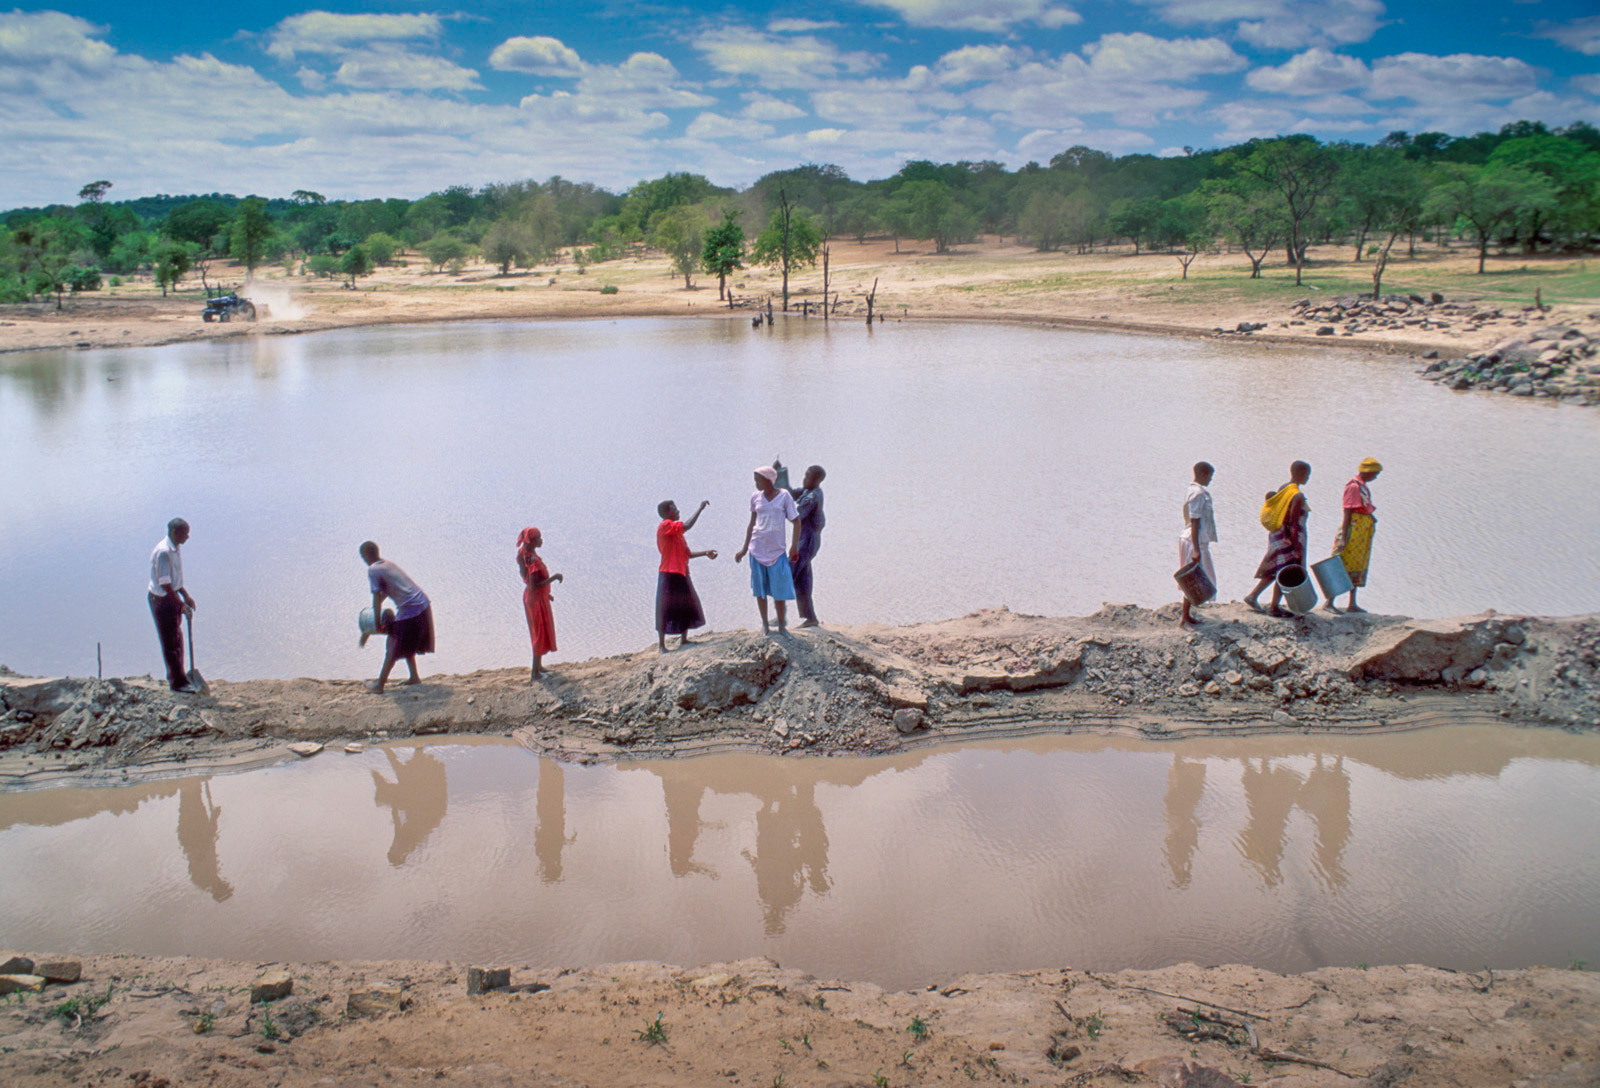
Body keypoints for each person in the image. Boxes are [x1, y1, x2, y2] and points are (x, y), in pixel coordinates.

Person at [361, 541, 434, 693]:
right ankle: (414, 676)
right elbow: (386, 591)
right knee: (405, 640)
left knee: (393, 644)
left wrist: (375, 622)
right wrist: (376, 612)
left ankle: (379, 685)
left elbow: (376, 596)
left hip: (411, 609)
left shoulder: (373, 570)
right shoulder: (387, 564)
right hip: (423, 604)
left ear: (366, 555)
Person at [735, 465, 800, 634]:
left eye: (758, 480)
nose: (755, 483)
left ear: (769, 480)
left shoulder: (784, 496)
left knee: (779, 590)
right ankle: (764, 624)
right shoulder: (755, 497)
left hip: (777, 551)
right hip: (756, 549)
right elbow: (752, 524)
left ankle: (781, 626)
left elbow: (796, 521)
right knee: (760, 589)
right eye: (755, 480)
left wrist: (794, 546)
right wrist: (743, 549)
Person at [1245, 460, 1311, 618]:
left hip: (1278, 535)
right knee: (1285, 573)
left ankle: (1255, 597)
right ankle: (1272, 605)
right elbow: (1293, 524)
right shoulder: (1297, 496)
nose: (1308, 478)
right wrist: (1296, 547)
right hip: (1289, 538)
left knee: (1277, 570)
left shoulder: (1284, 489)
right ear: (1300, 473)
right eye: (1307, 474)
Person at [656, 499, 717, 651]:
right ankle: (662, 645)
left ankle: (684, 639)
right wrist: (700, 508)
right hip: (669, 573)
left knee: (686, 604)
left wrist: (705, 553)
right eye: (674, 509)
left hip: (681, 571)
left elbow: (687, 554)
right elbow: (687, 525)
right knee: (665, 607)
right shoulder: (665, 526)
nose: (678, 511)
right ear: (666, 513)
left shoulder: (677, 533)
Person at [148, 517, 198, 692]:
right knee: (170, 642)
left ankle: (181, 677)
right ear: (175, 532)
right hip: (162, 600)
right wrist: (181, 605)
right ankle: (177, 683)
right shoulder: (164, 552)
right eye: (185, 533)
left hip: (172, 595)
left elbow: (175, 581)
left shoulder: (175, 549)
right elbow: (165, 584)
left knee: (178, 639)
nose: (188, 537)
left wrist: (186, 596)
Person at [1329, 457, 1383, 613]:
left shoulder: (1362, 486)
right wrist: (1344, 537)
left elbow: (1364, 508)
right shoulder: (1353, 486)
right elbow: (1347, 512)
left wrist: (1371, 518)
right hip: (1353, 530)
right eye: (1375, 473)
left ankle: (1352, 603)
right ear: (1368, 472)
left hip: (1361, 533)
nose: (1376, 477)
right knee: (1342, 561)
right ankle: (1330, 601)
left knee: (1357, 565)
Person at [517, 527, 562, 680]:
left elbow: (525, 577)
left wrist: (545, 594)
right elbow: (533, 585)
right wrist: (554, 578)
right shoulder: (533, 561)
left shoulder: (524, 554)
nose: (541, 540)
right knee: (539, 632)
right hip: (535, 599)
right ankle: (535, 673)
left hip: (535, 597)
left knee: (540, 631)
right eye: (539, 538)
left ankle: (539, 667)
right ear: (533, 541)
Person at [788, 465, 827, 628]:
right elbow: (791, 493)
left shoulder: (812, 497)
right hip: (805, 540)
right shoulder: (807, 491)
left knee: (788, 574)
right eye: (805, 476)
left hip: (807, 541)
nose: (804, 479)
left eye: (808, 477)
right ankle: (811, 618)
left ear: (816, 481)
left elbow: (794, 516)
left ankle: (779, 615)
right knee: (802, 580)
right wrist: (780, 475)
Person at [1178, 462, 1216, 627]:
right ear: (1203, 474)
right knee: (1193, 579)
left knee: (1197, 578)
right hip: (1195, 540)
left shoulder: (1192, 490)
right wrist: (1195, 549)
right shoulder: (1198, 493)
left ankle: (1187, 614)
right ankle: (1185, 617)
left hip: (1195, 539)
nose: (1210, 480)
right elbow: (1194, 521)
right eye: (1210, 476)